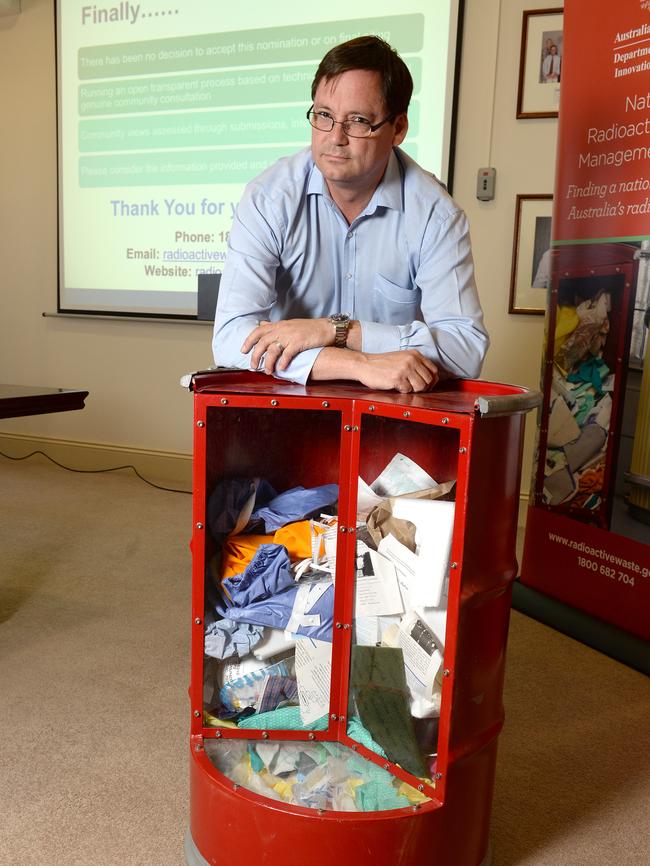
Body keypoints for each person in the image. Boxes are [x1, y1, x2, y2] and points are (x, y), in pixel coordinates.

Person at [212, 36, 488, 393]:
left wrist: (336, 330)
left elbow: (466, 349)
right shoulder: (269, 198)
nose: (335, 137)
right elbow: (231, 337)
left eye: (358, 121)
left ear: (398, 129)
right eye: (324, 116)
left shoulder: (435, 214)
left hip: (394, 413)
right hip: (286, 406)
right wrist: (359, 363)